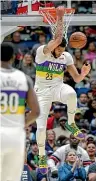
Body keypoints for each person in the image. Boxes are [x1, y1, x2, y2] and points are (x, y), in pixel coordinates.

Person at [34, 6, 91, 174]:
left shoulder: (66, 56)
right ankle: (42, 156)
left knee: (72, 93)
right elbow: (58, 39)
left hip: (58, 87)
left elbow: (77, 79)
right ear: (53, 46)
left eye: (63, 50)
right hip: (42, 92)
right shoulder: (41, 52)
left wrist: (84, 73)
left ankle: (72, 123)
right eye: (58, 49)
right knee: (41, 126)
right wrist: (60, 17)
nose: (60, 53)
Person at [0, 43, 40, 181]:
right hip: (15, 136)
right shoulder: (24, 78)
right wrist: (22, 124)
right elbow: (35, 112)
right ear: (13, 57)